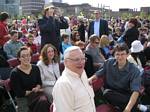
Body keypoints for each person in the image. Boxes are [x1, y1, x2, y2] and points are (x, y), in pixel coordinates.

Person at [89, 43, 142, 112]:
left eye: (122, 54)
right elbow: (98, 74)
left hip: (126, 94)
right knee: (106, 93)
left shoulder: (134, 70)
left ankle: (132, 106)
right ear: (114, 54)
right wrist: (90, 79)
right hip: (112, 92)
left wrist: (127, 109)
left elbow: (135, 91)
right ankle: (137, 106)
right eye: (117, 54)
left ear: (127, 54)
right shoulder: (108, 63)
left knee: (132, 99)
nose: (119, 57)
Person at [52, 46, 96, 112]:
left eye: (83, 59)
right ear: (66, 62)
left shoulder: (82, 72)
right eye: (76, 59)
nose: (81, 62)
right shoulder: (63, 85)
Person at [10, 46, 50, 112]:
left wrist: (37, 87)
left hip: (36, 95)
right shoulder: (15, 73)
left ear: (31, 56)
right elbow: (19, 93)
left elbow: (39, 82)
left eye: (28, 55)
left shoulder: (35, 68)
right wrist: (33, 91)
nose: (26, 58)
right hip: (23, 98)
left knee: (43, 101)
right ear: (19, 58)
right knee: (41, 103)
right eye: (23, 56)